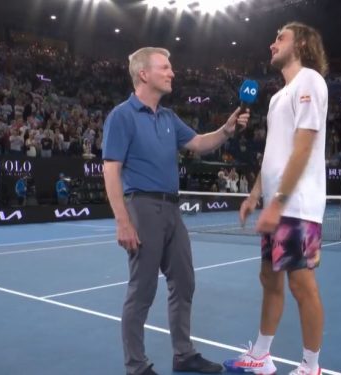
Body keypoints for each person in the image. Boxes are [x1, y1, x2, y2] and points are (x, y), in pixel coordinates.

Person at [102, 46, 250, 375]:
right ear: (144, 74)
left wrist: (226, 129)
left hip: (173, 209)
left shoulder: (169, 117)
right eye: (165, 67)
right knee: (142, 290)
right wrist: (122, 221)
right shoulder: (122, 116)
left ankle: (183, 354)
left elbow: (198, 144)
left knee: (184, 283)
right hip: (142, 207)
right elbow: (111, 170)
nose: (173, 73)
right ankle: (136, 367)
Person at [224, 22, 329, 375]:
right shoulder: (275, 97)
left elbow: (303, 145)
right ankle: (261, 355)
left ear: (300, 42)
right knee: (269, 278)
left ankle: (310, 367)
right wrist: (255, 195)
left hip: (297, 204)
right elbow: (274, 152)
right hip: (276, 202)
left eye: (279, 38)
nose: (272, 44)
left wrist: (279, 201)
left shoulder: (310, 81)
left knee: (301, 283)